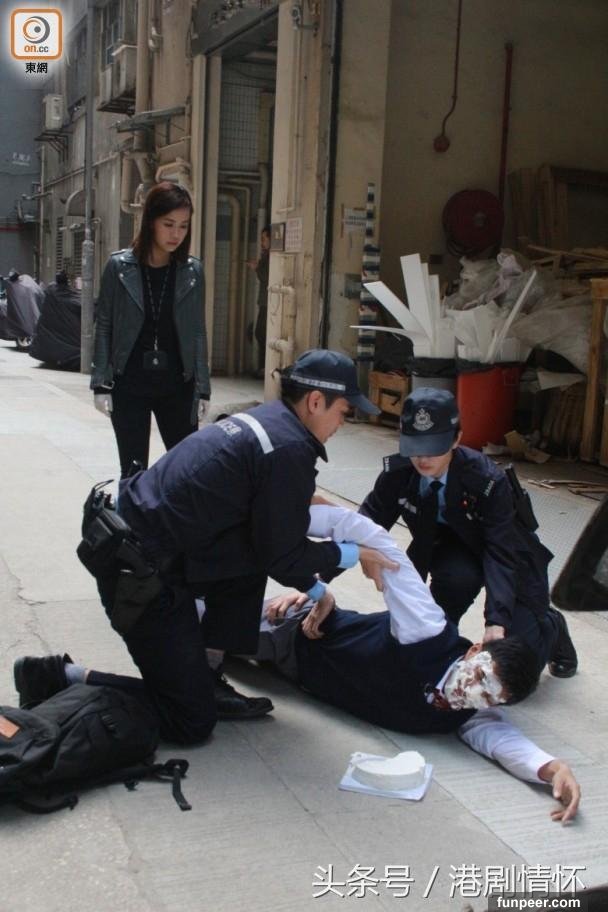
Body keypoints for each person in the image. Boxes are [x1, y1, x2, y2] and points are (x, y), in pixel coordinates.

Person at [14, 505, 580, 823]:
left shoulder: (469, 716)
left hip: (292, 676)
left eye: (488, 698)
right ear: (474, 652)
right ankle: (117, 600)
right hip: (294, 633)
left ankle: (65, 675)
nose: (471, 695)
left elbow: (507, 744)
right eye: (478, 680)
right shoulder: (429, 632)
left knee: (190, 701)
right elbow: (376, 540)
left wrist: (552, 770)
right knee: (184, 634)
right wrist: (295, 532)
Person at [74, 349, 396, 740]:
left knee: (247, 556)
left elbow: (273, 532)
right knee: (190, 720)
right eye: (344, 411)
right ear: (315, 401)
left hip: (138, 540)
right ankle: (71, 677)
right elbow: (284, 555)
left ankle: (206, 675)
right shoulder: (287, 448)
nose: (343, 423)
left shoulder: (268, 423)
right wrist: (353, 554)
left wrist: (318, 588)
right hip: (138, 573)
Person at [357, 387, 578, 678]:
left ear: (457, 438)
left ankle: (552, 627)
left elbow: (500, 552)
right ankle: (446, 630)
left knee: (516, 665)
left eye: (435, 446)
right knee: (430, 636)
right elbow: (366, 523)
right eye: (415, 446)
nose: (423, 458)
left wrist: (496, 621)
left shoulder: (486, 480)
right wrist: (319, 583)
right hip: (455, 553)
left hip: (509, 556)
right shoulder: (398, 472)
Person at [91, 182, 211, 478]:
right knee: (133, 472)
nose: (176, 234)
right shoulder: (118, 267)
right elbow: (104, 325)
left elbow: (197, 330)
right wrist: (101, 383)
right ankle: (132, 512)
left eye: (183, 226)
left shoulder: (192, 271)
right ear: (150, 222)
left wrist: (203, 388)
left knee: (188, 471)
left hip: (178, 385)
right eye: (168, 224)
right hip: (129, 384)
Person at [247, 225, 270, 376]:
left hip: (267, 301)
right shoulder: (266, 255)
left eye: (264, 239)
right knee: (261, 333)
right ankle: (264, 367)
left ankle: (265, 367)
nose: (262, 242)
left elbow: (266, 277)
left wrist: (256, 268)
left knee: (261, 333)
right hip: (265, 301)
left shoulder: (271, 256)